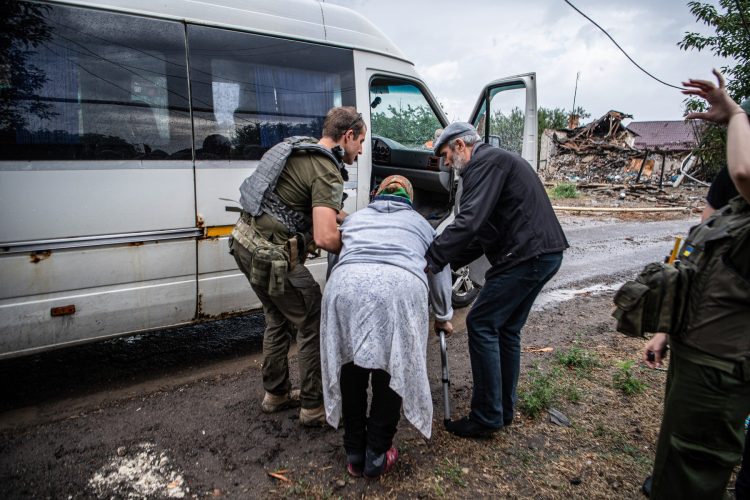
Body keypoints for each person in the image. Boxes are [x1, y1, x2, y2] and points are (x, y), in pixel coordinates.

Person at [641, 70, 750, 499]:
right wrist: (668, 329)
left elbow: (743, 170)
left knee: (697, 463)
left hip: (725, 365)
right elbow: (696, 263)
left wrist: (735, 114)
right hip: (699, 353)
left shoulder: (742, 173)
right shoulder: (731, 196)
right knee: (679, 452)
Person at [425, 122, 568, 438]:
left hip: (527, 255)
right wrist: (446, 261)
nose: (448, 164)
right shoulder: (494, 162)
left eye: (447, 156)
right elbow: (481, 235)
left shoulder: (485, 163)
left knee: (481, 322)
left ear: (461, 145)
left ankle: (487, 415)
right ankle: (501, 410)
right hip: (541, 253)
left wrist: (431, 257)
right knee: (505, 330)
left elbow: (469, 221)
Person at [229, 107, 366, 426]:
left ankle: (275, 394)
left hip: (244, 244)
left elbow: (320, 210)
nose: (360, 151)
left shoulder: (300, 148)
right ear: (347, 136)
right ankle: (314, 408)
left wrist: (361, 222)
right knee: (311, 318)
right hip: (272, 256)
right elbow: (325, 235)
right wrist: (365, 247)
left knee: (278, 317)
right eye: (360, 142)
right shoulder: (327, 169)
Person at [320, 175, 454, 477]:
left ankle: (354, 451)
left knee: (350, 367)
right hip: (398, 289)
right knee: (391, 369)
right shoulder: (422, 225)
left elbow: (335, 258)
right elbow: (439, 268)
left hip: (346, 286)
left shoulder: (355, 219)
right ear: (409, 198)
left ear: (376, 194)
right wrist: (444, 316)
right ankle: (377, 453)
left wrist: (339, 301)